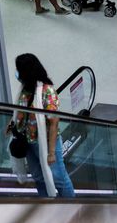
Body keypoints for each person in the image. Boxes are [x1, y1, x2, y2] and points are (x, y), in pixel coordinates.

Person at [10, 53, 75, 198]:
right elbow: (20, 112)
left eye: (19, 69)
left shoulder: (47, 91)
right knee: (38, 176)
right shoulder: (24, 89)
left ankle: (72, 206)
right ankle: (46, 203)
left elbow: (54, 122)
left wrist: (51, 152)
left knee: (59, 178)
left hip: (45, 143)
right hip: (28, 142)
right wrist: (11, 126)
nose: (17, 72)